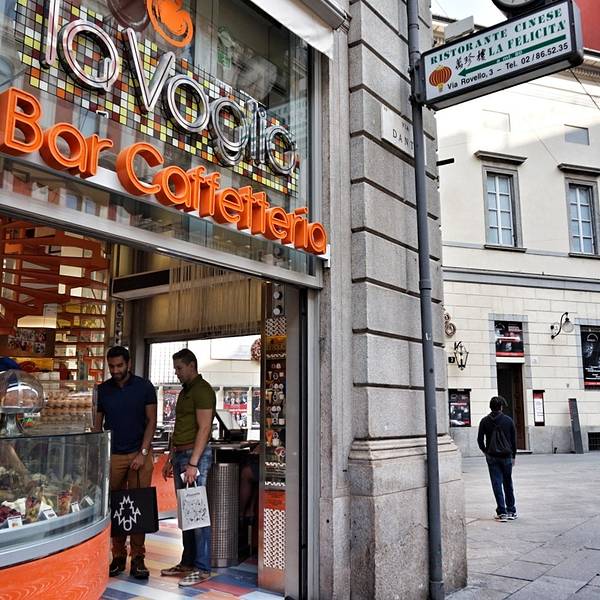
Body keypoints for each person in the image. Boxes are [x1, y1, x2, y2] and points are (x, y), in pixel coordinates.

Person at [95, 346, 157, 579]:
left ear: (128, 364)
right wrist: (100, 455)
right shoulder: (103, 390)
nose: (115, 370)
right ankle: (118, 555)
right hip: (113, 456)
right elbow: (97, 426)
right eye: (111, 366)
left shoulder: (144, 387)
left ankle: (138, 558)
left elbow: (152, 421)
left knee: (139, 506)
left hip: (139, 453)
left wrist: (143, 452)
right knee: (116, 506)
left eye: (119, 365)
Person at [161, 348, 216, 587]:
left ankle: (202, 568)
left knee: (197, 511)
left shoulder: (202, 391)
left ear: (192, 365)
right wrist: (171, 457)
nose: (176, 373)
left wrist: (193, 463)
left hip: (194, 456)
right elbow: (179, 426)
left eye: (179, 368)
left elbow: (204, 428)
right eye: (175, 368)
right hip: (181, 454)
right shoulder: (186, 391)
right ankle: (187, 562)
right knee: (186, 511)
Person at [477, 396, 517, 522]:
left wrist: (486, 452)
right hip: (506, 456)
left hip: (492, 457)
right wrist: (513, 456)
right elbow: (513, 441)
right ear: (501, 407)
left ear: (490, 407)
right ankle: (511, 510)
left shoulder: (484, 421)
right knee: (508, 483)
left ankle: (502, 512)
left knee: (496, 483)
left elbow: (479, 440)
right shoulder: (508, 420)